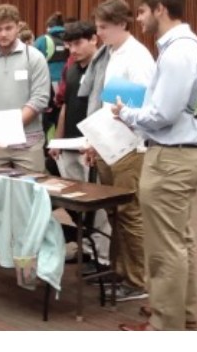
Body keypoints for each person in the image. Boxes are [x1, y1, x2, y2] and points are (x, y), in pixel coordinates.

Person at [112, 0, 197, 332]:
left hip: (171, 157)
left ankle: (165, 324)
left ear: (160, 9)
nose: (138, 19)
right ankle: (180, 311)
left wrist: (126, 114)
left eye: (141, 11)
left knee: (164, 246)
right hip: (180, 154)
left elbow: (161, 115)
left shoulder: (178, 51)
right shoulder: (185, 46)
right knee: (179, 240)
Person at [77, 0, 155, 303]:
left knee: (128, 211)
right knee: (115, 212)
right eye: (97, 27)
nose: (99, 34)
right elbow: (108, 104)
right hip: (111, 144)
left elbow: (143, 107)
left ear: (122, 24)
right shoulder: (112, 53)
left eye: (104, 27)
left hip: (130, 147)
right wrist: (97, 141)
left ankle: (136, 280)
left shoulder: (138, 57)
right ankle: (119, 270)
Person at [48, 21, 110, 269]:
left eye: (78, 43)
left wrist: (97, 144)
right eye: (69, 44)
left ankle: (102, 258)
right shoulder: (70, 69)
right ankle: (86, 249)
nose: (73, 49)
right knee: (77, 205)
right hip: (70, 145)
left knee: (98, 208)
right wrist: (57, 140)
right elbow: (64, 105)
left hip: (93, 148)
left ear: (94, 39)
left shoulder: (106, 68)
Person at [0, 3, 50, 173]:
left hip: (29, 144)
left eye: (8, 28)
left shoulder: (35, 58)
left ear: (18, 27)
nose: (3, 34)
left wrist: (9, 127)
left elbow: (39, 99)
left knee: (30, 193)